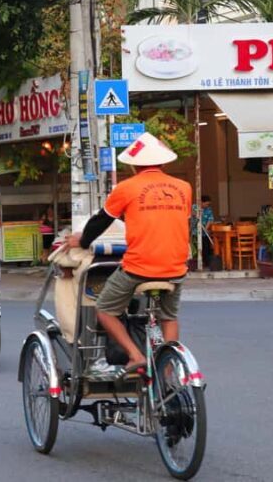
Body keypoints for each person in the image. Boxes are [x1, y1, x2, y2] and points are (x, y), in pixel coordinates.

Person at [67, 132, 191, 376]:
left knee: (104, 309)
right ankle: (167, 371)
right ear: (163, 162)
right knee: (169, 317)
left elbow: (101, 221)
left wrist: (82, 240)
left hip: (138, 269)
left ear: (134, 165)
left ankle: (135, 355)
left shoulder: (127, 188)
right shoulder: (183, 188)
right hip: (176, 267)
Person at [190, 195, 215, 267]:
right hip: (195, 231)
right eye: (206, 204)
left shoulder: (208, 210)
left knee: (206, 247)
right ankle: (195, 263)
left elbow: (210, 219)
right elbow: (190, 214)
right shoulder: (194, 207)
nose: (208, 205)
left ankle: (206, 263)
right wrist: (195, 213)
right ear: (201, 202)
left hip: (204, 231)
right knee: (195, 247)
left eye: (208, 204)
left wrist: (206, 229)